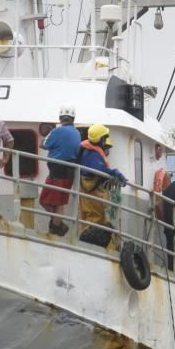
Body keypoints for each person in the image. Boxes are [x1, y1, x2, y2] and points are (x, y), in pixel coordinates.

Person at [77, 124, 128, 248]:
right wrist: (114, 173)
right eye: (105, 138)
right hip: (92, 196)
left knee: (91, 219)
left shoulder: (88, 152)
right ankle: (92, 246)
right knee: (95, 219)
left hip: (88, 194)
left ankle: (90, 243)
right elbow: (98, 169)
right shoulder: (92, 155)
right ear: (101, 139)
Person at [38, 105, 81, 235]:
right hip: (69, 171)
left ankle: (56, 228)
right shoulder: (77, 132)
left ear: (60, 118)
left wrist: (44, 139)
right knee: (59, 202)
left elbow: (43, 145)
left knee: (46, 201)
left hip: (57, 171)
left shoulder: (57, 131)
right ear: (73, 118)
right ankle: (58, 224)